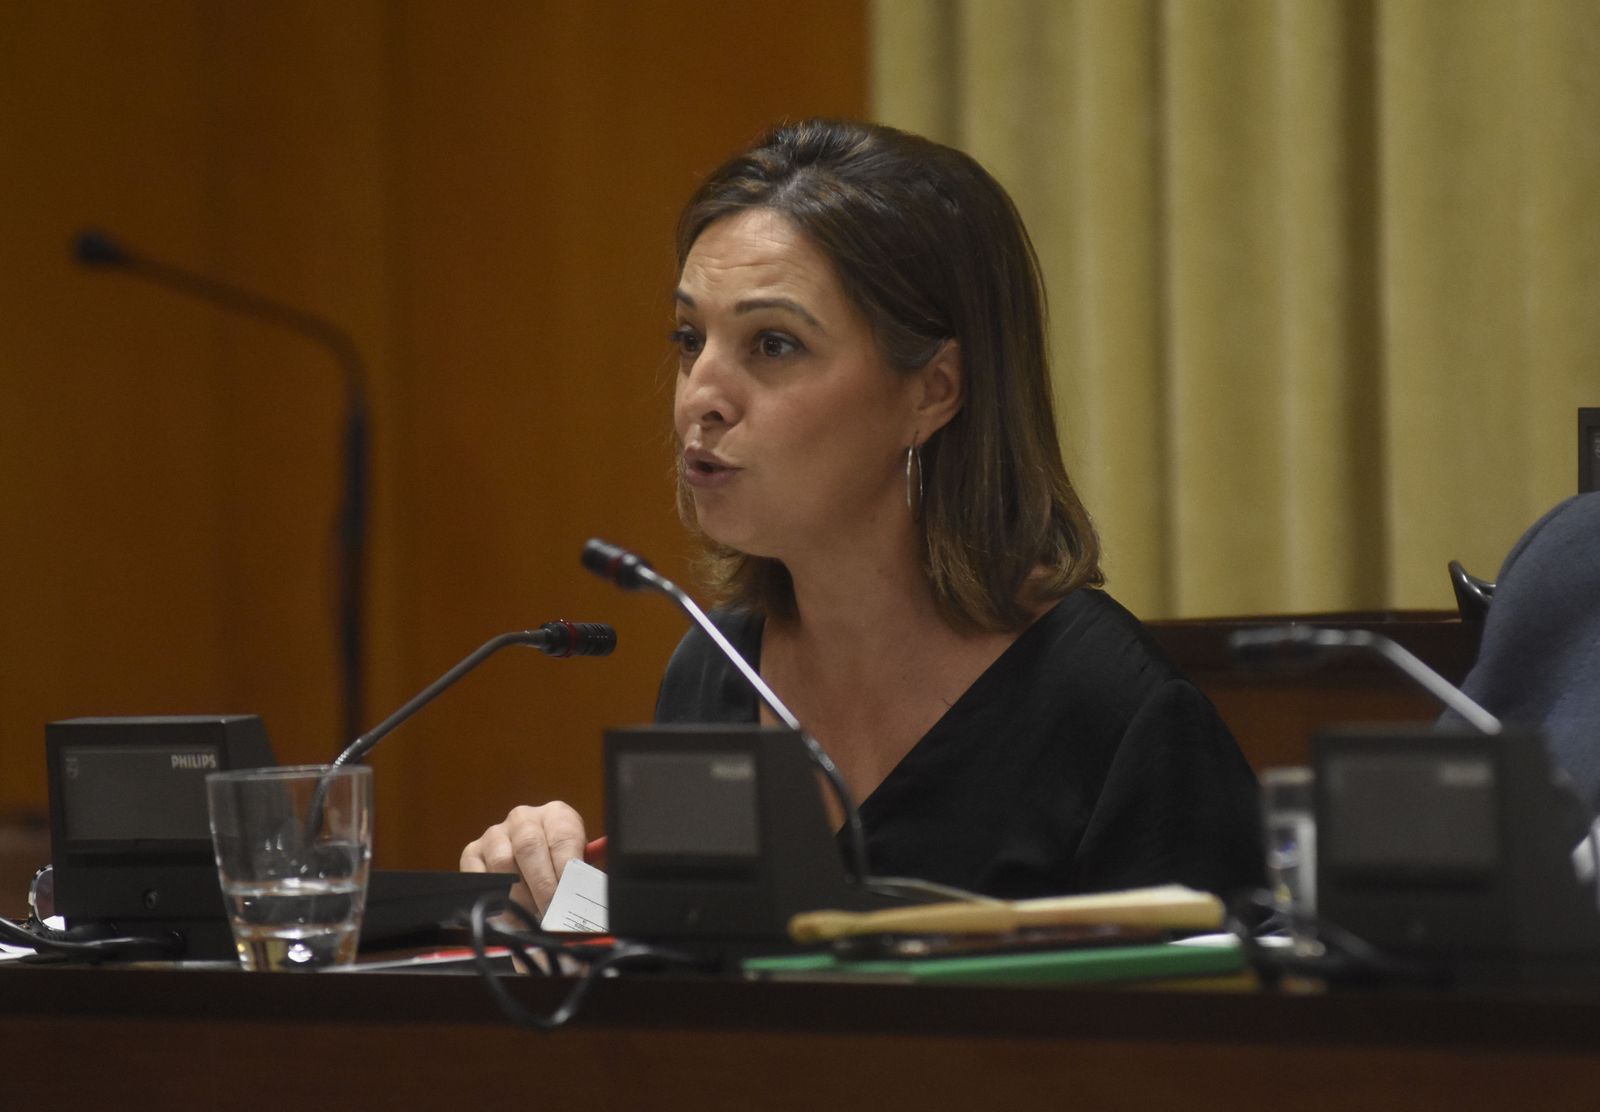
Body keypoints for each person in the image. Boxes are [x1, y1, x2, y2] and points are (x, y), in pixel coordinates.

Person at [462, 119, 1263, 917]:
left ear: (933, 390)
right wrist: (560, 894)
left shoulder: (1116, 717)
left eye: (773, 345)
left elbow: (1216, 1036)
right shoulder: (715, 671)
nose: (698, 398)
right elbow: (698, 1009)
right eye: (689, 337)